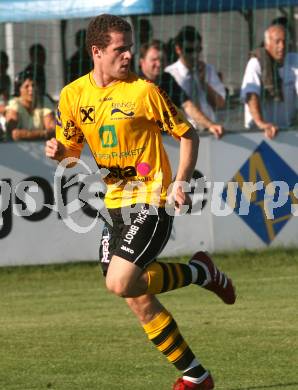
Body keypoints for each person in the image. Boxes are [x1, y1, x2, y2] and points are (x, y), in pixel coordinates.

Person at [45, 14, 236, 390]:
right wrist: (57, 150)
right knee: (135, 296)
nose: (129, 55)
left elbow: (188, 134)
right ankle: (197, 376)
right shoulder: (72, 95)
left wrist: (179, 182)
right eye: (120, 49)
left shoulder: (144, 91)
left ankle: (201, 274)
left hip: (153, 198)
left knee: (121, 281)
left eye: (130, 47)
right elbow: (70, 148)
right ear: (97, 52)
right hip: (114, 205)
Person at [139, 39, 224, 138]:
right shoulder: (133, 82)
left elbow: (187, 105)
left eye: (162, 60)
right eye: (154, 60)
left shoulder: (167, 79)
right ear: (142, 62)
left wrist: (210, 125)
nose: (159, 64)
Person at [165, 26, 226, 134]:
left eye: (198, 50)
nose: (194, 55)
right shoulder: (169, 74)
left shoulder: (208, 70)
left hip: (210, 130)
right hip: (184, 133)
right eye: (189, 50)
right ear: (178, 49)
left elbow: (220, 104)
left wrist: (203, 82)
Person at [241, 24, 298, 139]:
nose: (282, 46)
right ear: (267, 44)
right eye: (277, 42)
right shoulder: (256, 62)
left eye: (284, 41)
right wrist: (261, 123)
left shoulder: (295, 60)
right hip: (259, 132)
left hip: (288, 130)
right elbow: (251, 94)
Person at [5, 70, 55, 141]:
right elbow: (13, 134)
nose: (31, 89)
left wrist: (24, 134)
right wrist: (43, 134)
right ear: (19, 90)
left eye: (34, 85)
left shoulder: (44, 100)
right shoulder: (14, 103)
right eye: (26, 86)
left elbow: (53, 131)